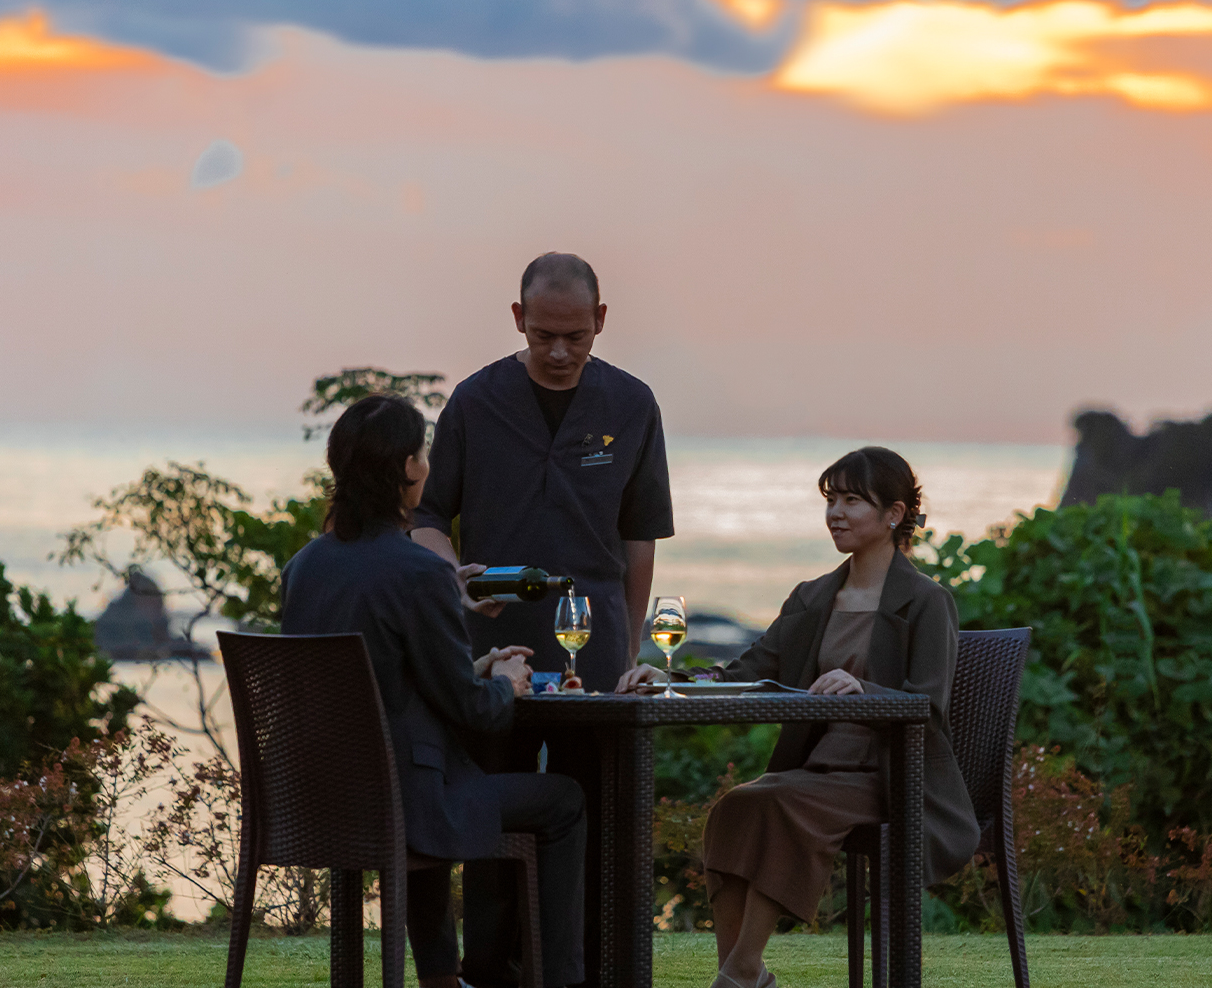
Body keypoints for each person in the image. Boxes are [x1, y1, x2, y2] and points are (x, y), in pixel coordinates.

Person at [618, 447, 980, 988]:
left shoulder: (928, 602)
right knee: (734, 808)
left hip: (893, 776)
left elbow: (926, 704)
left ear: (894, 515)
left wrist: (863, 688)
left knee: (778, 804)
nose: (835, 513)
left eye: (852, 500)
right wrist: (669, 679)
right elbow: (748, 670)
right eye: (831, 500)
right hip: (819, 769)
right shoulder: (812, 597)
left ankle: (739, 974)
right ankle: (742, 971)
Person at [412, 251, 674, 988]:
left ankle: (584, 969)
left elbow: (639, 535)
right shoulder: (474, 400)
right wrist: (448, 577)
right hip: (492, 654)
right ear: (519, 320)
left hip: (596, 655)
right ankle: (491, 970)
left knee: (591, 811)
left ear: (600, 321)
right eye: (544, 336)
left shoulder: (631, 404)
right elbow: (429, 515)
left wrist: (631, 645)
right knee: (489, 814)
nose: (559, 353)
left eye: (575, 337)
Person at [281, 394, 587, 988]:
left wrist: (474, 666)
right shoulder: (419, 572)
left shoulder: (304, 567)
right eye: (422, 452)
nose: (426, 463)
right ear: (408, 469)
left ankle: (442, 979)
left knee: (418, 767)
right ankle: (563, 980)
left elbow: (377, 681)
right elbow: (475, 714)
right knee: (564, 800)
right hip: (405, 804)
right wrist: (503, 682)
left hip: (319, 799)